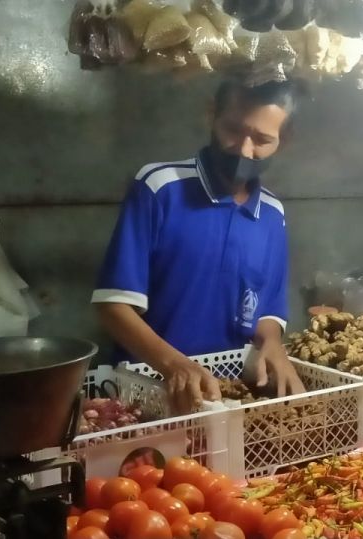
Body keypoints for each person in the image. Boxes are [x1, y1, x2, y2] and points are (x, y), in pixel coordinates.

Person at [93, 78, 307, 413]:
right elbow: (114, 306)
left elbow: (267, 309)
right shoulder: (160, 187)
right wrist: (174, 365)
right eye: (233, 130)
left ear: (286, 139)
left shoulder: (272, 213)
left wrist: (272, 343)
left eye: (263, 140)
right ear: (211, 115)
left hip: (225, 397)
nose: (244, 150)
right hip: (146, 392)